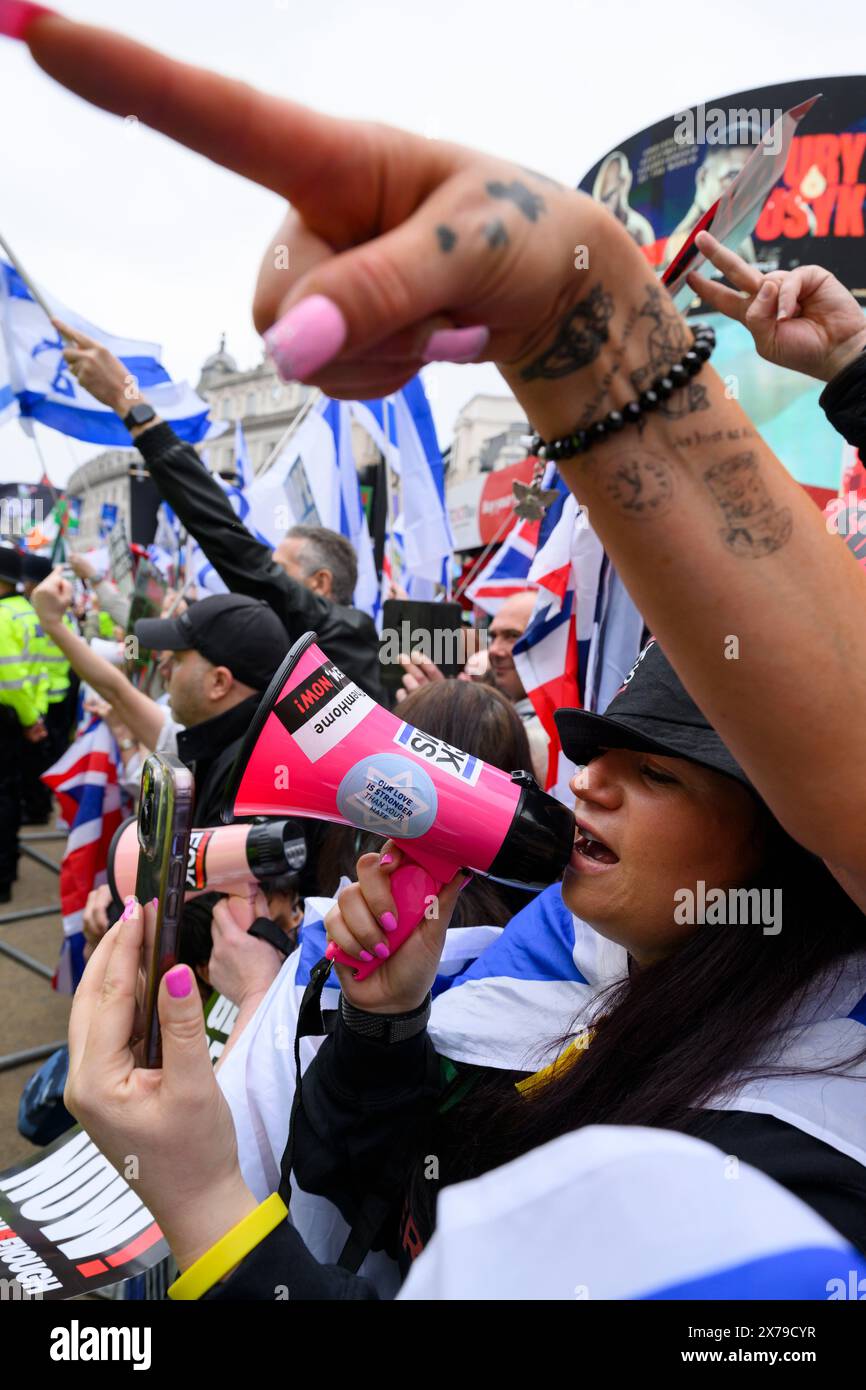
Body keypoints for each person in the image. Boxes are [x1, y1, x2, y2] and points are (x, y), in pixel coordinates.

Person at [29, 11, 866, 1296]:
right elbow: (367, 1202)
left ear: (790, 840)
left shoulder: (772, 1208)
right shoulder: (549, 977)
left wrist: (199, 1200)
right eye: (591, 748)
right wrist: (377, 1022)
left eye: (656, 772)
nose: (582, 779)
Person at [51, 323, 385, 704]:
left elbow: (228, 542)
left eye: (279, 568)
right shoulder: (276, 652)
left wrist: (130, 405)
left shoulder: (341, 638)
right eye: (269, 566)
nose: (258, 577)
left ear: (319, 584)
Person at [0, 545, 49, 900]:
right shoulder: (28, 612)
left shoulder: (2, 617)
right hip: (25, 714)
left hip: (8, 716)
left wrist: (29, 718)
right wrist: (36, 715)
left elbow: (9, 676)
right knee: (12, 792)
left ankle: (2, 876)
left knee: (3, 796)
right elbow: (39, 669)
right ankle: (9, 863)